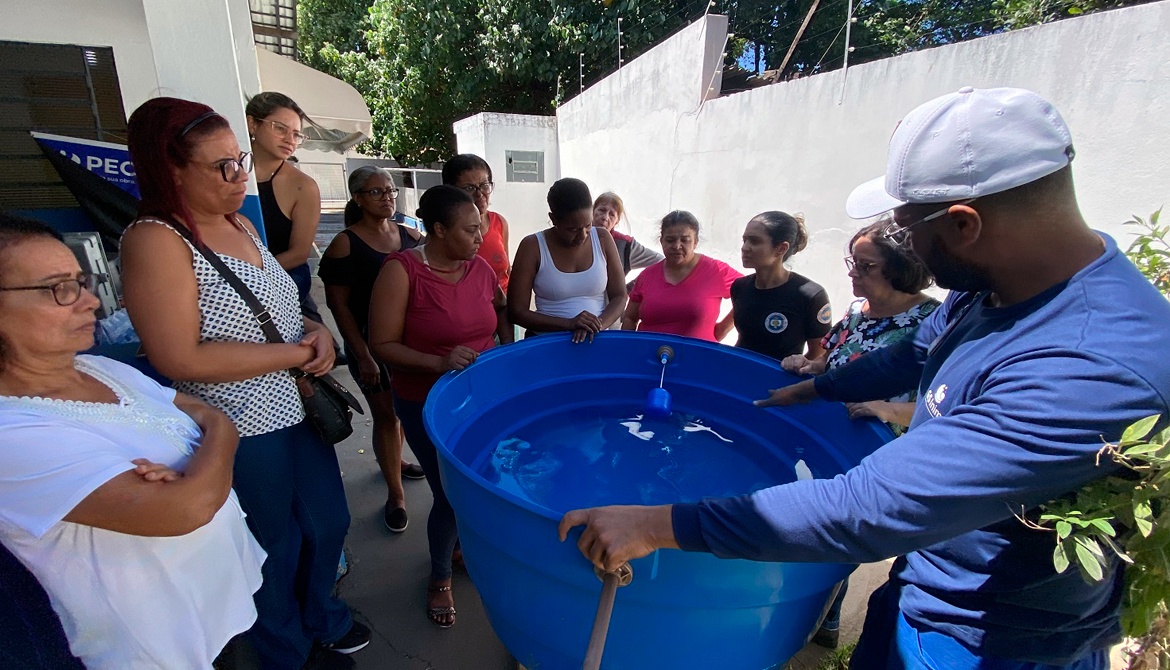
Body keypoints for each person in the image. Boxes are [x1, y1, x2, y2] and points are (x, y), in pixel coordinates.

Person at [558, 87, 1170, 669]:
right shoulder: (996, 288)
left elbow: (869, 505)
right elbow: (910, 355)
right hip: (928, 588)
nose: (909, 251)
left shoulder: (1090, 366)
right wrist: (815, 388)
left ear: (964, 225)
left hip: (998, 639)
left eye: (910, 229)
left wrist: (654, 523)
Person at [120, 98, 366, 670]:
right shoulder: (157, 240)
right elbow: (176, 355)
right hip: (240, 425)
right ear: (170, 169)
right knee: (270, 544)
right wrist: (296, 351)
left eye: (240, 160)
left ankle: (320, 618)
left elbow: (280, 304)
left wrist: (315, 331)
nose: (241, 176)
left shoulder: (240, 223)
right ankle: (286, 650)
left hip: (297, 406)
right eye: (223, 166)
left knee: (329, 522)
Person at [0, 214, 265, 669]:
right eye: (58, 288)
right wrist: (206, 457)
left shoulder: (100, 370)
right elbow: (186, 509)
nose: (90, 303)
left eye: (82, 282)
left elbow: (209, 415)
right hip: (154, 647)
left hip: (218, 608)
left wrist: (203, 456)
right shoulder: (13, 432)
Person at [781, 219, 940, 648]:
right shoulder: (856, 314)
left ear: (900, 269)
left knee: (845, 538)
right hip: (826, 440)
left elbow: (948, 406)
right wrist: (808, 367)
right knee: (816, 526)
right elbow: (832, 365)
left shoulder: (932, 324)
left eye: (864, 264)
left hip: (882, 455)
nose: (852, 271)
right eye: (852, 260)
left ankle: (825, 617)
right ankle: (808, 610)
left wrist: (888, 408)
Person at [368, 184, 506, 629]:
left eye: (481, 226)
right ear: (439, 230)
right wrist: (439, 362)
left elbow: (498, 313)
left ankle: (462, 549)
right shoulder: (402, 271)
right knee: (449, 492)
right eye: (469, 229)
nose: (479, 235)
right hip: (425, 401)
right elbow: (382, 344)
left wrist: (504, 352)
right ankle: (440, 577)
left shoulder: (480, 267)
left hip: (481, 399)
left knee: (483, 480)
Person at [319, 166, 426, 534]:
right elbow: (338, 305)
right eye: (376, 192)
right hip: (371, 343)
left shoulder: (409, 235)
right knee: (385, 415)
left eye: (390, 190)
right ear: (358, 198)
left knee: (403, 411)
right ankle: (395, 495)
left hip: (410, 343)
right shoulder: (346, 243)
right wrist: (362, 354)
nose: (387, 197)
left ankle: (394, 463)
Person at [509, 178, 628, 342]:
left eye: (587, 225)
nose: (583, 236)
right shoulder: (532, 246)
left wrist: (596, 325)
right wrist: (568, 324)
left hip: (595, 340)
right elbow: (516, 312)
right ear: (553, 219)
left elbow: (620, 296)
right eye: (572, 229)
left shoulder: (602, 238)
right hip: (546, 342)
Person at [246, 92, 326, 324]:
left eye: (296, 134)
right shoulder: (227, 172)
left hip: (284, 276)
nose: (290, 139)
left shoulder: (304, 187)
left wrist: (249, 275)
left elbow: (299, 253)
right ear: (253, 124)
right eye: (280, 128)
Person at [622, 210, 742, 341]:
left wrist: (722, 329)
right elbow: (630, 317)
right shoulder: (647, 275)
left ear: (695, 242)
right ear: (661, 241)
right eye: (670, 240)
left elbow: (748, 293)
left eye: (685, 240)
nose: (677, 246)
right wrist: (628, 346)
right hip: (648, 355)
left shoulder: (716, 271)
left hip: (698, 356)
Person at [730, 211, 832, 360]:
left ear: (781, 248)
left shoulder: (810, 295)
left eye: (754, 241)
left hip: (783, 379)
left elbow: (818, 353)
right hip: (738, 374)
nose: (745, 247)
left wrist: (793, 372)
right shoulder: (740, 287)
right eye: (744, 240)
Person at [592, 191, 663, 276]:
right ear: (592, 211)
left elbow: (661, 262)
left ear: (617, 221)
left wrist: (635, 285)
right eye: (602, 210)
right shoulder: (578, 235)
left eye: (612, 214)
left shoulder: (625, 245)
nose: (605, 217)